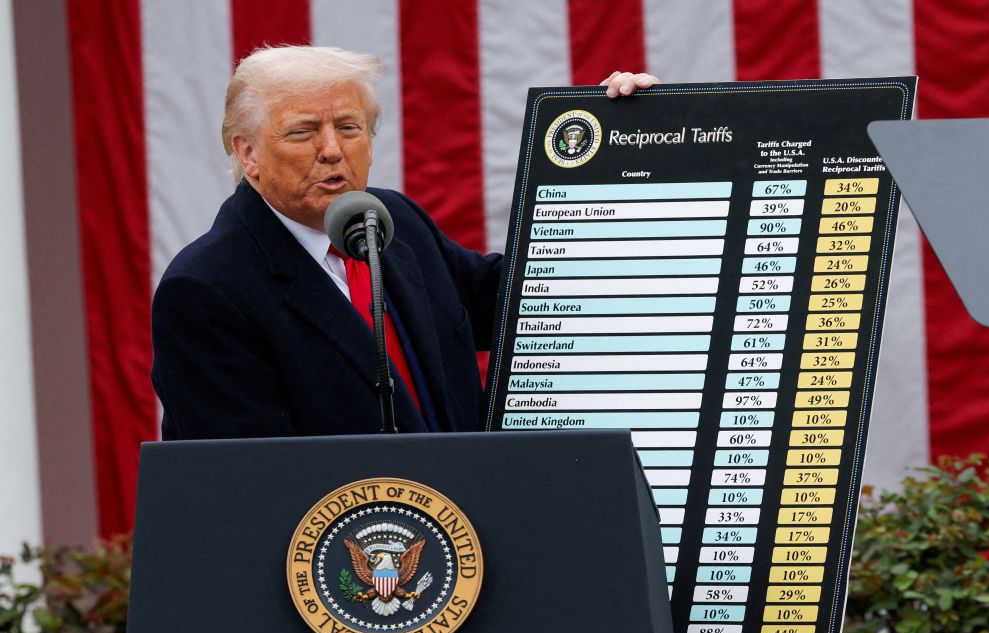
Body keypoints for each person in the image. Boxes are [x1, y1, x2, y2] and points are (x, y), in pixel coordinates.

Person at [150, 46, 656, 440]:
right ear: (249, 153)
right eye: (303, 133)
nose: (332, 151)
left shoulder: (392, 221)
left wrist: (619, 149)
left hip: (473, 530)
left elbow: (524, 303)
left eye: (349, 128)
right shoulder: (206, 289)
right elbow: (249, 481)